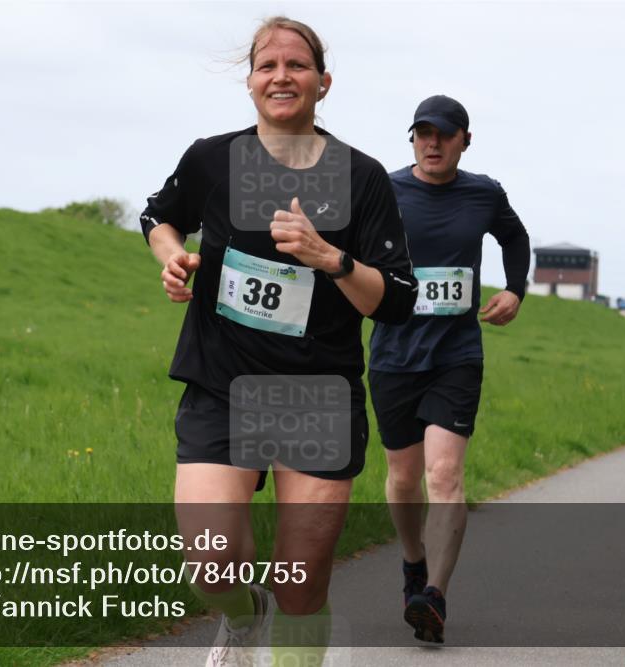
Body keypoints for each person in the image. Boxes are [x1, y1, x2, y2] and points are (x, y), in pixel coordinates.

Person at [140, 17, 416, 666]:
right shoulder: (212, 157)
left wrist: (331, 258)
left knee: (302, 585)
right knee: (210, 563)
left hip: (317, 395)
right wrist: (174, 255)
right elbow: (159, 215)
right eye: (267, 65)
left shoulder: (362, 177)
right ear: (250, 81)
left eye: (296, 65)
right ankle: (241, 615)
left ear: (322, 82)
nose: (281, 75)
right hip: (222, 384)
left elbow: (397, 299)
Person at [368, 95, 531, 643]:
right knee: (403, 476)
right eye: (422, 134)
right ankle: (413, 561)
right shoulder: (384, 190)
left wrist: (515, 289)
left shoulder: (484, 193)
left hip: (456, 354)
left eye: (443, 134)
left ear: (465, 139)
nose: (431, 144)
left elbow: (515, 237)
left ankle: (433, 595)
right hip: (394, 354)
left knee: (444, 475)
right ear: (412, 139)